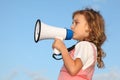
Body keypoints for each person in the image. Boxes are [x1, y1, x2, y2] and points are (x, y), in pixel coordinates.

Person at [52, 8, 106, 80]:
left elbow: (73, 69)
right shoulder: (86, 46)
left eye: (76, 23)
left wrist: (62, 48)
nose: (71, 26)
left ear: (90, 27)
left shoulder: (85, 45)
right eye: (72, 23)